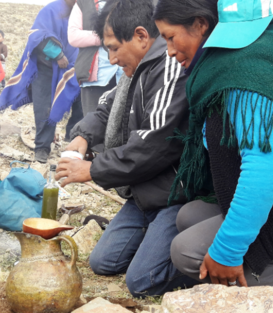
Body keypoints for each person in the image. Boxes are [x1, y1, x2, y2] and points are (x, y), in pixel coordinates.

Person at [153, 0, 273, 311]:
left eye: (170, 36)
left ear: (201, 25)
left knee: (187, 252)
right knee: (188, 216)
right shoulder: (229, 63)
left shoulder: (242, 70)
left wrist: (227, 252)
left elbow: (265, 167)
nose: (168, 50)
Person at [56, 0, 201, 297]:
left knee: (142, 282)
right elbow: (105, 109)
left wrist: (93, 169)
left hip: (174, 194)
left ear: (140, 36)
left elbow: (154, 144)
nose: (110, 57)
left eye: (112, 47)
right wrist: (82, 136)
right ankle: (153, 242)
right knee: (103, 262)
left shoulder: (171, 68)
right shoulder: (133, 73)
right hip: (143, 193)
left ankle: (210, 264)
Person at [0, 0, 83, 164]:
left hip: (71, 69)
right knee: (44, 108)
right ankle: (42, 148)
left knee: (80, 103)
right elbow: (37, 34)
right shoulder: (51, 10)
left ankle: (72, 142)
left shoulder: (81, 11)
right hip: (46, 68)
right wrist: (57, 54)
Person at [68, 0, 122, 116]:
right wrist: (105, 37)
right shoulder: (83, 3)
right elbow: (73, 35)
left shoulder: (129, 3)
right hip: (95, 77)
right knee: (93, 121)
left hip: (124, 73)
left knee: (123, 122)